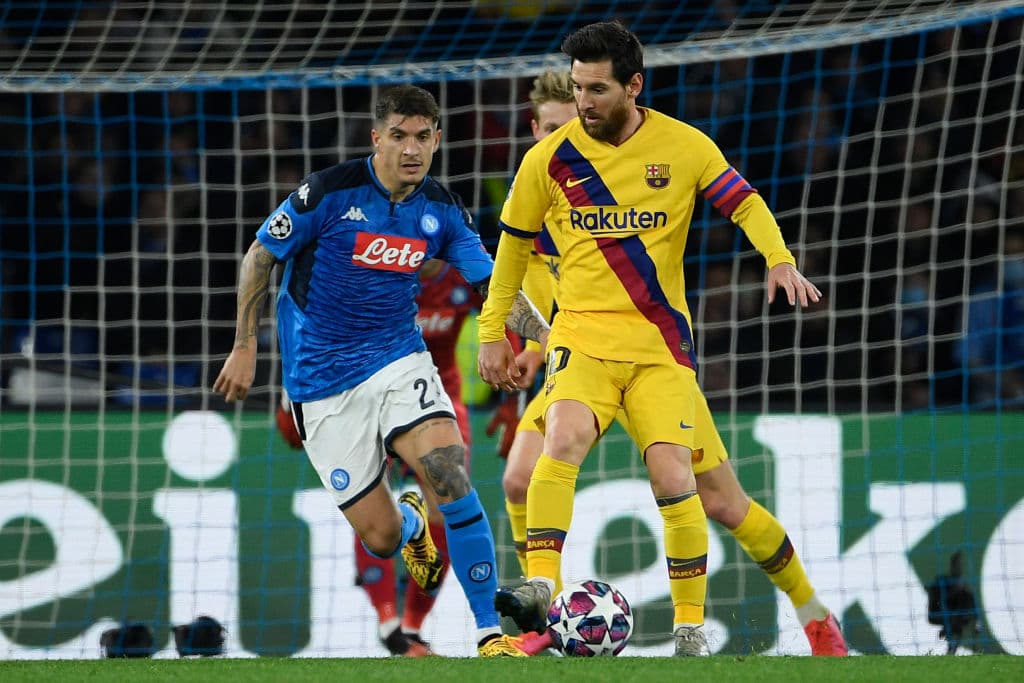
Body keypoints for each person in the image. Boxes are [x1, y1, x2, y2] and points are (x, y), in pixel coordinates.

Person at [476, 22, 828, 657]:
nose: (584, 105)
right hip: (579, 344)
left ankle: (798, 615)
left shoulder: (684, 146)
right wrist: (493, 334)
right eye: (577, 90)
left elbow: (742, 201)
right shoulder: (547, 165)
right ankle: (539, 597)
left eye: (596, 90)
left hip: (662, 349)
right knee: (549, 451)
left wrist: (778, 258)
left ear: (634, 86)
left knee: (709, 495)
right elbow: (509, 252)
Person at [214, 84, 551, 657]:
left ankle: (489, 635)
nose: (411, 149)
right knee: (383, 537)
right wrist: (245, 345)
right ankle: (413, 526)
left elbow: (492, 285)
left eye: (423, 136)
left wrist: (549, 335)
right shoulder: (327, 192)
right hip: (320, 384)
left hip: (398, 359)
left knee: (452, 476)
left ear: (437, 139)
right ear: (377, 139)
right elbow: (260, 256)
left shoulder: (441, 208)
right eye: (398, 136)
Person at [275, 258, 482, 657]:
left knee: (448, 504)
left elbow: (500, 312)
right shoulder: (377, 271)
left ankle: (414, 627)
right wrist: (291, 394)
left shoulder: (462, 275)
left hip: (440, 398)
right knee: (374, 503)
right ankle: (389, 623)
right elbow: (313, 320)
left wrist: (511, 396)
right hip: (373, 396)